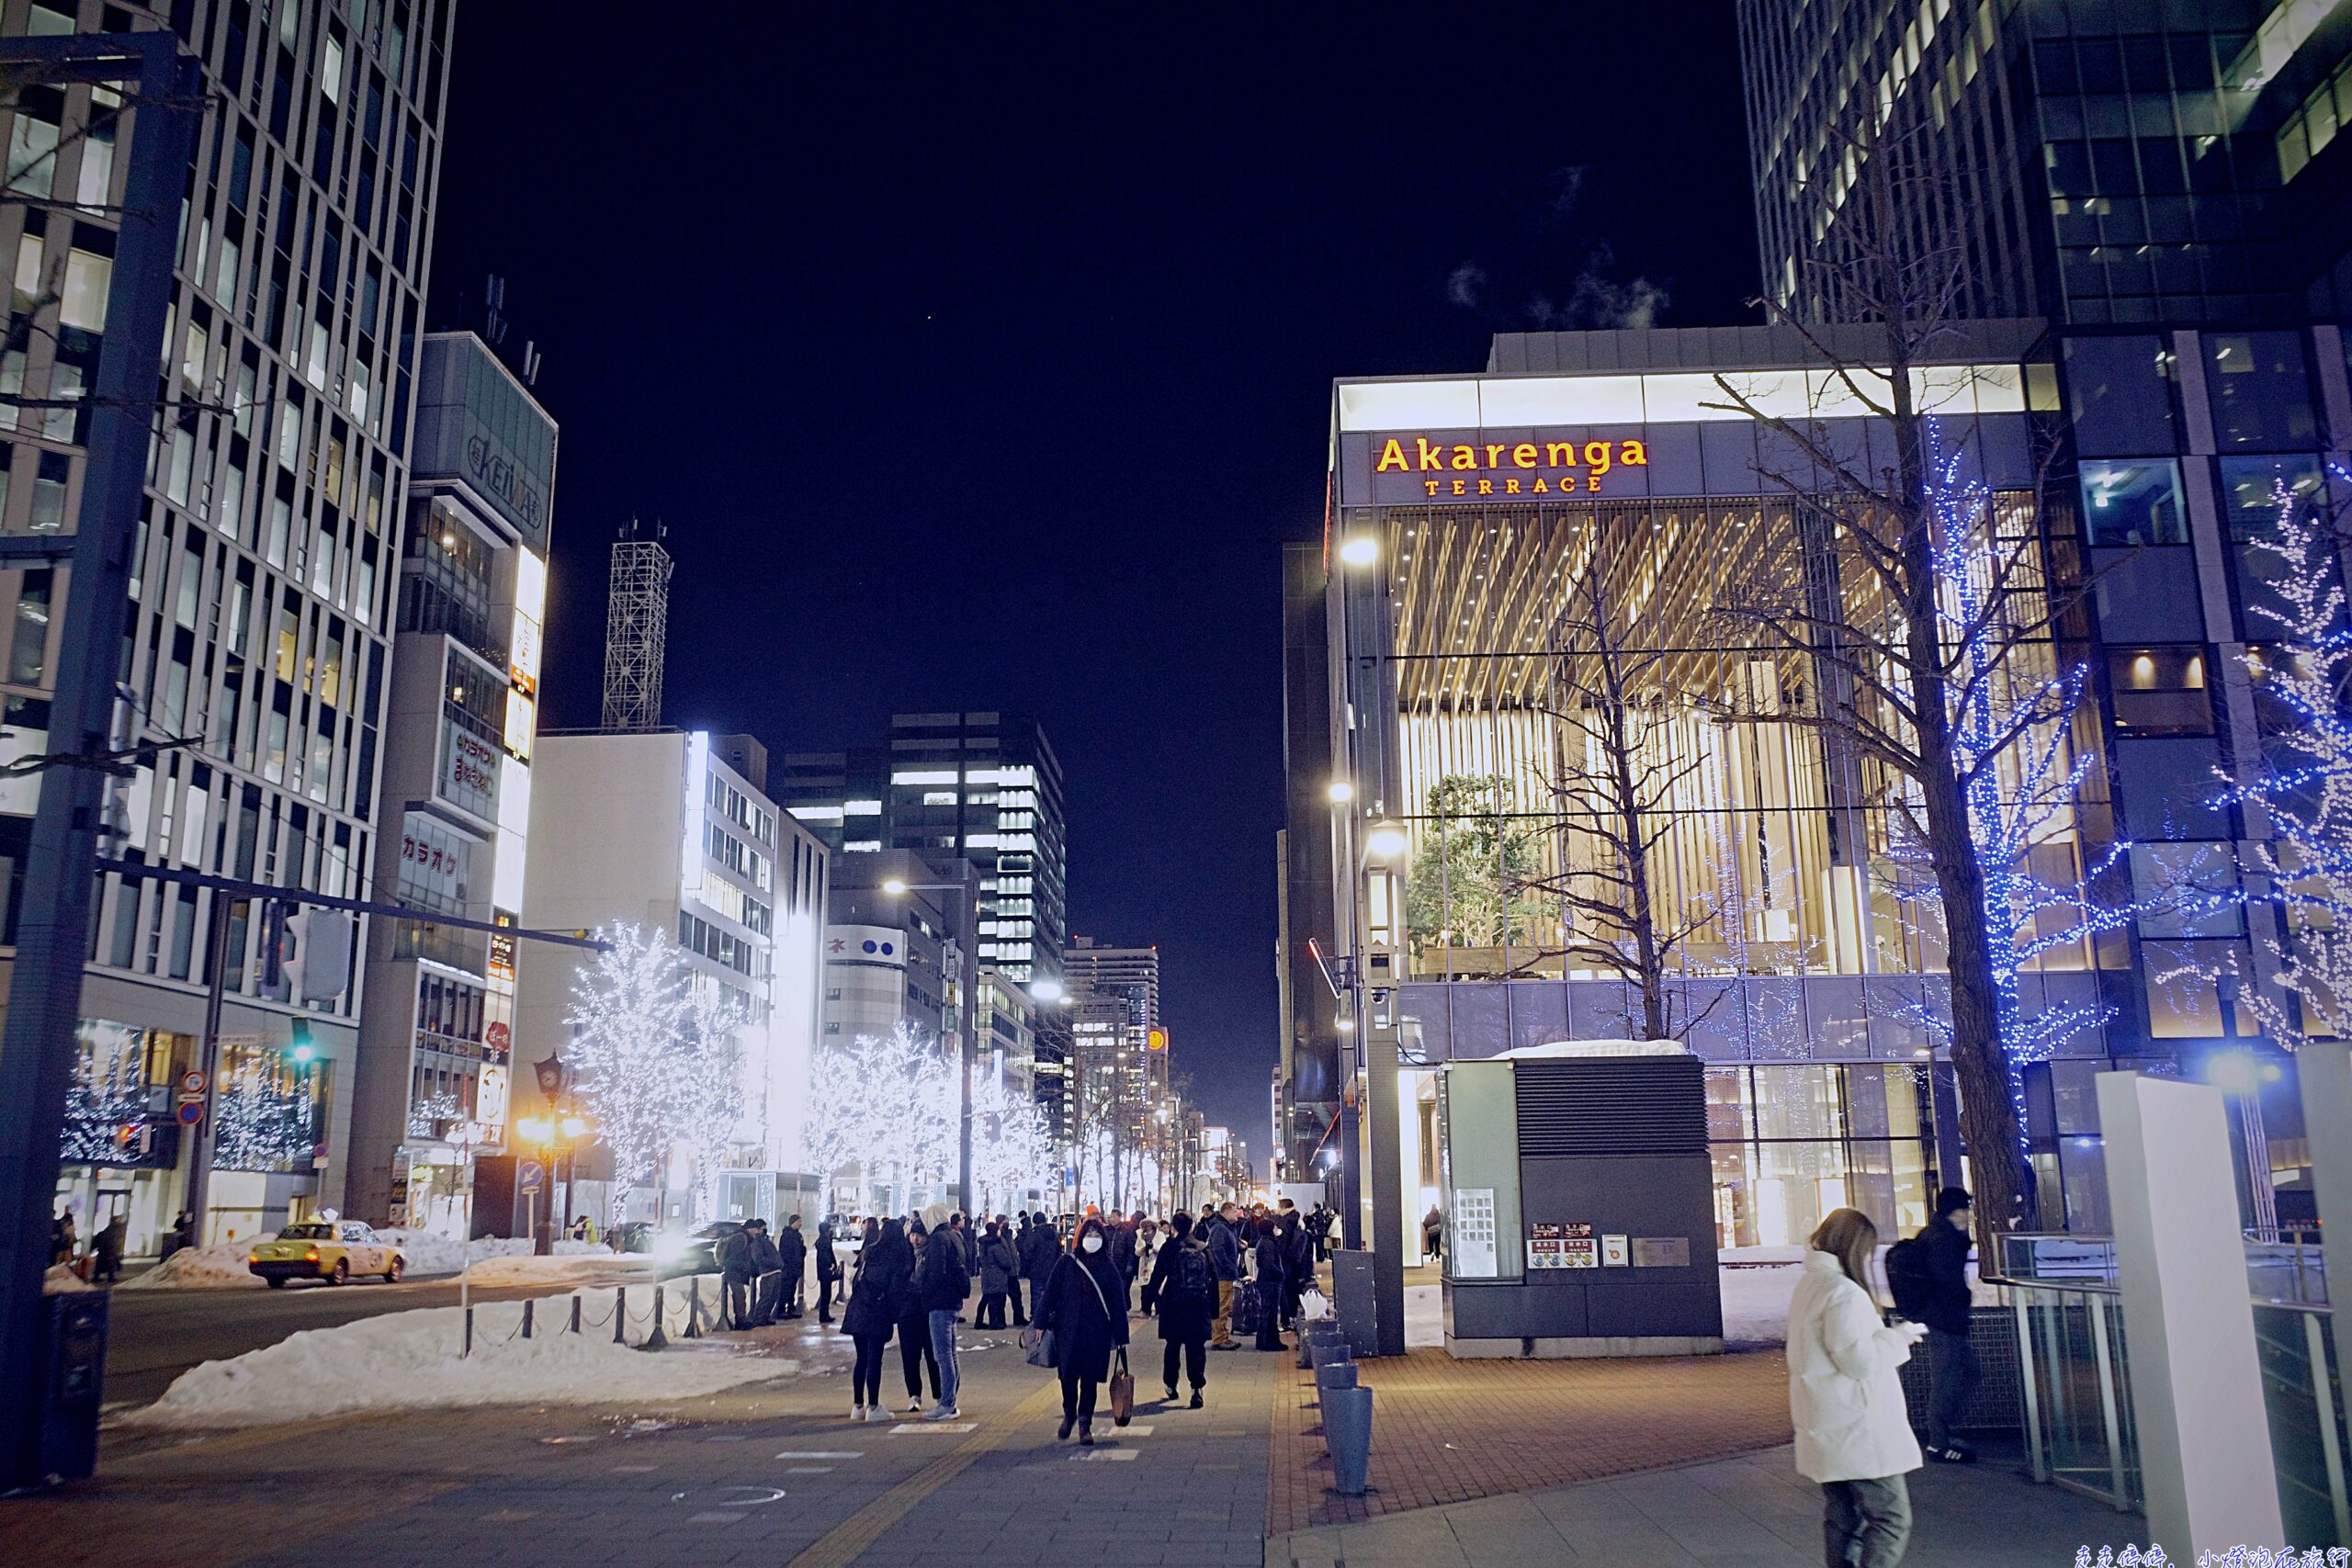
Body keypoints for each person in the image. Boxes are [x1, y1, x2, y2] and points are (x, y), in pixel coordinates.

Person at [1789, 1207, 1926, 1568]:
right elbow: (1859, 1362)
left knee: (1843, 1516)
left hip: (1826, 1421)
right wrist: (1897, 1338)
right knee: (1892, 1518)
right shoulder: (1844, 1293)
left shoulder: (1811, 1284)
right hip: (1858, 1429)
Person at [1034, 1215, 1131, 1445]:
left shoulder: (1108, 1267)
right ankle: (1069, 1414)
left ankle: (1085, 1423)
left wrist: (1121, 1336)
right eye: (1089, 1235)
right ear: (1080, 1238)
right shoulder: (1066, 1264)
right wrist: (1039, 1322)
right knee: (1067, 1377)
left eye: (1097, 1236)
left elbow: (1117, 1302)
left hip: (1096, 1332)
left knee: (1090, 1380)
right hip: (1067, 1331)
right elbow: (1050, 1293)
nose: (1093, 1239)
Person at [1917, 1187, 1980, 1463]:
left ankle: (1942, 1433)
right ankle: (1938, 1444)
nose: (1967, 1213)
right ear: (1952, 1211)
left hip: (1946, 1319)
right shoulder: (1943, 1239)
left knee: (1965, 1373)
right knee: (1947, 1379)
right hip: (1944, 1320)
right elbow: (1947, 1282)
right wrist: (1962, 1297)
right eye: (1963, 1208)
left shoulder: (1941, 1236)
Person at [1148, 1212, 1214, 1407]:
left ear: (1174, 1227)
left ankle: (1171, 1384)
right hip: (1198, 1305)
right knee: (1196, 1348)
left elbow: (1157, 1276)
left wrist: (1147, 1303)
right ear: (1192, 1227)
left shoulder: (1169, 1248)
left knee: (1173, 1346)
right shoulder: (1203, 1248)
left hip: (1174, 1304)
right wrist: (1215, 1310)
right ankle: (1196, 1389)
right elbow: (1213, 1277)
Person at [842, 1217, 904, 1423]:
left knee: (862, 1360)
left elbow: (856, 1279)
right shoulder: (895, 1256)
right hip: (877, 1312)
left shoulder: (869, 1252)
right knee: (874, 1360)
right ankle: (874, 1407)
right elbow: (894, 1290)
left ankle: (857, 1406)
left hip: (857, 1310)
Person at [916, 1206, 970, 1419]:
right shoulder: (954, 1236)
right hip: (953, 1301)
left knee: (943, 1354)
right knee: (950, 1352)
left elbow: (936, 1273)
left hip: (940, 1302)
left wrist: (925, 1294)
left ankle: (946, 1403)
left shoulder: (938, 1239)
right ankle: (950, 1398)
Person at [897, 1222, 944, 1413]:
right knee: (910, 1357)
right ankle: (914, 1395)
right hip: (907, 1314)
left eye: (920, 1236)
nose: (915, 1240)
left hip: (928, 1312)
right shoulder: (904, 1257)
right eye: (912, 1235)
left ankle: (939, 1395)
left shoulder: (933, 1255)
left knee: (934, 1356)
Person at [1204, 1201, 1243, 1348]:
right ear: (1226, 1213)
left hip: (1225, 1273)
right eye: (1234, 1211)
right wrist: (1228, 1267)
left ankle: (1223, 1335)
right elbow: (1218, 1251)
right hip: (1222, 1275)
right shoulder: (1220, 1228)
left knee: (1225, 1305)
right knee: (1222, 1306)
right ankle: (1219, 1338)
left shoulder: (1226, 1228)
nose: (1237, 1214)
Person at [1250, 1213, 1289, 1350]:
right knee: (1269, 1312)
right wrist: (1281, 1274)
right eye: (1274, 1227)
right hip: (1270, 1282)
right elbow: (1268, 1264)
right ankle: (1267, 1342)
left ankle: (1268, 1341)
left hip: (1267, 1281)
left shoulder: (1265, 1242)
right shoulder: (1268, 1244)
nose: (1276, 1229)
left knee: (1269, 1311)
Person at [976, 1218, 1019, 1329]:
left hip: (987, 1275)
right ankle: (995, 1322)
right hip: (997, 1275)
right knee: (997, 1301)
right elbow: (1004, 1261)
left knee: (988, 1298)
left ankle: (982, 1321)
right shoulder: (995, 1245)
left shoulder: (983, 1243)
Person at [742, 1218, 785, 1326]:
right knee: (766, 1296)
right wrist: (775, 1263)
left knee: (773, 1296)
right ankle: (759, 1317)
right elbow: (758, 1258)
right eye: (762, 1228)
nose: (765, 1230)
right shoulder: (757, 1242)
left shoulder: (766, 1240)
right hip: (768, 1272)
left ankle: (766, 1316)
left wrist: (779, 1263)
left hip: (775, 1271)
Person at [1019, 1206, 1060, 1314]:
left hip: (1036, 1270)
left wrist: (1026, 1268)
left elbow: (1027, 1253)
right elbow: (1058, 1252)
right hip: (1051, 1270)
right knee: (1050, 1295)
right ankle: (1049, 1316)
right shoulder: (1054, 1234)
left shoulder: (1034, 1235)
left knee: (1037, 1295)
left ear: (1035, 1222)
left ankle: (1036, 1318)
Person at [718, 1222, 757, 1330]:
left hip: (738, 1272)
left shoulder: (745, 1238)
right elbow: (733, 1258)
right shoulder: (740, 1238)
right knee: (739, 1296)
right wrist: (745, 1267)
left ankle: (741, 1319)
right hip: (734, 1272)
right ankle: (740, 1321)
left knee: (740, 1296)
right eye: (755, 1229)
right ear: (750, 1229)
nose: (757, 1231)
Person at [776, 1214, 809, 1319]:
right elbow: (785, 1252)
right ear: (793, 1222)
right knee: (785, 1288)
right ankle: (781, 1309)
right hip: (788, 1267)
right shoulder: (787, 1236)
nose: (801, 1224)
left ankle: (791, 1308)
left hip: (796, 1267)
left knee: (792, 1289)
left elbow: (801, 1250)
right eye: (799, 1221)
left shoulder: (798, 1235)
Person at [1002, 1215, 1029, 1326]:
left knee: (1017, 1297)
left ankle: (1019, 1318)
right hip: (1006, 1272)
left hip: (1012, 1271)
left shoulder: (1008, 1235)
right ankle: (999, 1320)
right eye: (1005, 1221)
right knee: (999, 1298)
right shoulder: (1002, 1237)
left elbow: (1013, 1252)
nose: (1007, 1222)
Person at [815, 1216, 842, 1325]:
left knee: (826, 1293)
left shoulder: (823, 1240)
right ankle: (824, 1315)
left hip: (823, 1271)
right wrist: (830, 1265)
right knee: (826, 1294)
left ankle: (824, 1314)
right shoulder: (824, 1242)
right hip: (825, 1271)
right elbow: (826, 1255)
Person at [1134, 1216, 1162, 1316]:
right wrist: (1142, 1249)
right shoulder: (1140, 1235)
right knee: (1144, 1289)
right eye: (1146, 1224)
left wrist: (1153, 1247)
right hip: (1144, 1264)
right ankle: (1145, 1309)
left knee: (1156, 1288)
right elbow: (1136, 1250)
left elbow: (1162, 1248)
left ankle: (1159, 1309)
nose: (1148, 1226)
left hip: (1154, 1263)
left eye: (1150, 1224)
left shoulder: (1160, 1235)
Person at [90, 1214, 127, 1285]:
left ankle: (97, 1277)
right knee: (110, 1264)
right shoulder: (114, 1230)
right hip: (109, 1250)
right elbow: (114, 1240)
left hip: (104, 1250)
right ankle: (110, 1277)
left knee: (101, 1264)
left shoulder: (107, 1230)